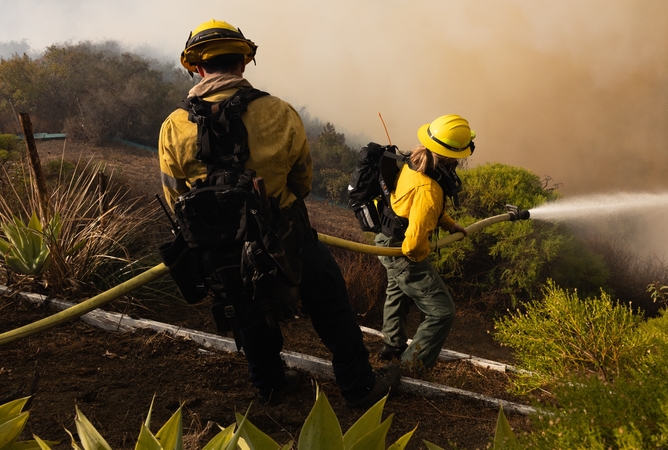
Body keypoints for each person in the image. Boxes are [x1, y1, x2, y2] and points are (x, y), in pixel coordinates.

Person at [158, 19, 399, 408]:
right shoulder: (279, 112)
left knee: (246, 311)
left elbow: (175, 197)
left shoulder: (173, 126)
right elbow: (302, 181)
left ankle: (269, 384)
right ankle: (358, 387)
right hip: (287, 237)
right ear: (242, 62)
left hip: (219, 250)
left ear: (197, 67)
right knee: (330, 303)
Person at [375, 114, 473, 371]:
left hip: (385, 239)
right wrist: (424, 252)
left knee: (397, 291)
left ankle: (392, 346)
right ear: (454, 157)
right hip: (400, 248)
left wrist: (449, 224)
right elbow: (413, 245)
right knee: (442, 311)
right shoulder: (430, 189)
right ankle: (411, 366)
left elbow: (416, 208)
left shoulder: (414, 162)